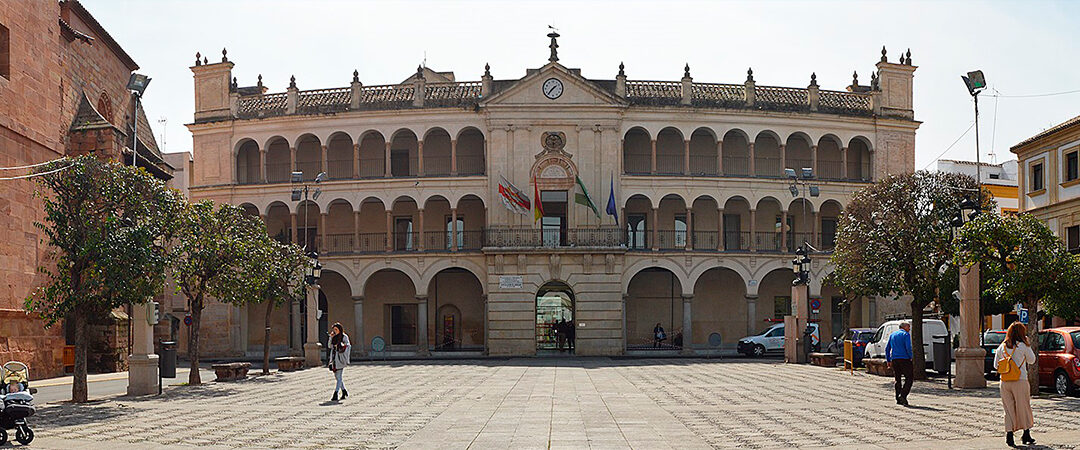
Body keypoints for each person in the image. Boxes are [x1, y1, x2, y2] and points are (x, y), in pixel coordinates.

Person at [993, 322, 1036, 447]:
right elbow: (1032, 360)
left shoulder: (1002, 347)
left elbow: (996, 365)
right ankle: (1026, 433)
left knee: (1008, 409)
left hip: (1005, 381)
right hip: (1020, 380)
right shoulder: (1023, 346)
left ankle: (1009, 435)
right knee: (1023, 407)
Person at [885, 321, 914, 406]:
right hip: (904, 359)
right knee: (909, 378)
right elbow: (908, 347)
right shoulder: (906, 335)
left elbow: (887, 348)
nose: (909, 329)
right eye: (908, 327)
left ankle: (898, 398)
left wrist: (888, 360)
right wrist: (910, 356)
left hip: (895, 359)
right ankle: (903, 395)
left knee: (897, 379)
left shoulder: (892, 335)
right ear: (904, 327)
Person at [328, 322, 351, 402]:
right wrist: (331, 338)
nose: (335, 331)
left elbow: (348, 345)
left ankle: (336, 393)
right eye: (334, 329)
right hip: (334, 358)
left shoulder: (344, 336)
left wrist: (341, 345)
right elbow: (329, 346)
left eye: (336, 329)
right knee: (337, 377)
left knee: (339, 376)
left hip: (340, 358)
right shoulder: (334, 337)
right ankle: (344, 391)